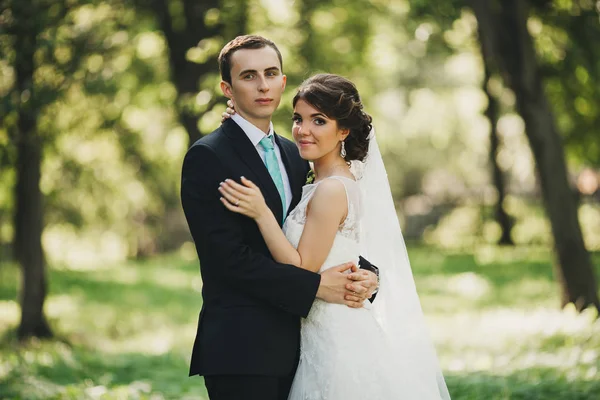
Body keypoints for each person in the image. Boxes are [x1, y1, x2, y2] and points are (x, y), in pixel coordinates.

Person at [219, 73, 451, 399]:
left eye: (319, 121)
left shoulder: (330, 189)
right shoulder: (320, 177)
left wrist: (261, 214)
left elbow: (301, 268)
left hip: (337, 339)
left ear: (343, 130)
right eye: (298, 119)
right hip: (318, 331)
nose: (303, 130)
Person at [180, 35, 380, 400]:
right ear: (228, 87)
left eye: (271, 73)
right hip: (244, 349)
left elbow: (327, 232)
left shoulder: (297, 153)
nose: (262, 85)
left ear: (283, 82)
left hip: (308, 346)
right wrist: (317, 287)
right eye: (248, 76)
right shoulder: (208, 157)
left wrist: (367, 277)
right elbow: (227, 260)